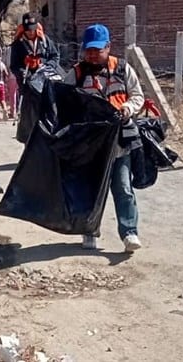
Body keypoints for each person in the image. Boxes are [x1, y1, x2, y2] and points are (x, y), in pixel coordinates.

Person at [64, 23, 145, 253]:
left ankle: (129, 233)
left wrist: (128, 108)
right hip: (90, 146)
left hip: (119, 143)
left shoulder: (122, 69)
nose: (92, 54)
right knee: (90, 190)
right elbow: (63, 101)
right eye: (88, 50)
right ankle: (89, 231)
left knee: (123, 189)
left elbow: (138, 96)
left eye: (97, 50)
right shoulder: (77, 74)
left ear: (108, 47)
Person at [10, 14, 59, 89]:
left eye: (32, 29)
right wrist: (22, 72)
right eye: (28, 29)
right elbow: (14, 66)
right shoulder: (17, 44)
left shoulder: (45, 40)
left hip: (46, 81)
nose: (31, 32)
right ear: (23, 28)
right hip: (27, 84)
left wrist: (46, 66)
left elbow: (55, 56)